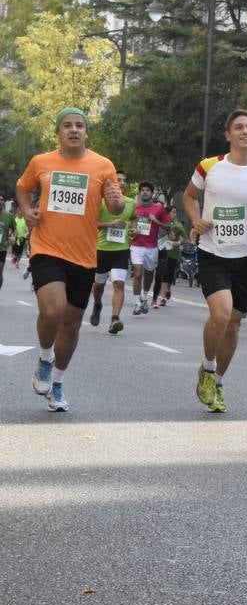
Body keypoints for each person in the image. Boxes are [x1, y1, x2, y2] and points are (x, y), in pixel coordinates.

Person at [14, 107, 125, 412]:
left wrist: (116, 201)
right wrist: (26, 209)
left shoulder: (103, 166)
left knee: (72, 324)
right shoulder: (42, 162)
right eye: (67, 125)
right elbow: (23, 187)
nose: (74, 130)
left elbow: (114, 206)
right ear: (58, 132)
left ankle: (58, 382)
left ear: (86, 132)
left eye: (79, 125)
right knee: (52, 310)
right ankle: (46, 357)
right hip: (47, 248)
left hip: (84, 256)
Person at [183, 109, 247, 413]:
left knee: (234, 325)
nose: (246, 131)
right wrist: (196, 219)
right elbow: (189, 196)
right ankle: (208, 365)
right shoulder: (209, 167)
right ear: (229, 135)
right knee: (222, 314)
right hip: (213, 253)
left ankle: (216, 381)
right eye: (239, 127)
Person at [90, 171, 134, 334]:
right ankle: (97, 304)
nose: (121, 183)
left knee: (118, 283)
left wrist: (134, 229)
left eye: (124, 180)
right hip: (102, 249)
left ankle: (115, 319)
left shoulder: (130, 203)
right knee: (99, 285)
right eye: (118, 180)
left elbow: (133, 218)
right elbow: (92, 223)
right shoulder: (100, 202)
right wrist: (111, 224)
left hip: (121, 250)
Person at [129, 181, 171, 315]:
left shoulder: (159, 208)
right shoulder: (134, 208)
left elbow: (168, 227)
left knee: (148, 275)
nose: (145, 192)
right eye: (142, 190)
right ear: (139, 193)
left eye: (147, 190)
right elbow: (130, 224)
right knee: (137, 273)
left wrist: (156, 221)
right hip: (136, 245)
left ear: (152, 193)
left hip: (152, 247)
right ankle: (136, 303)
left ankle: (144, 296)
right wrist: (132, 230)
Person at [153, 207, 187, 308]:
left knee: (170, 276)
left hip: (173, 253)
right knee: (163, 275)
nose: (174, 214)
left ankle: (167, 289)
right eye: (172, 212)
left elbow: (183, 237)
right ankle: (162, 297)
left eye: (175, 212)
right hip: (162, 253)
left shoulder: (178, 225)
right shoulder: (161, 224)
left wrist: (178, 242)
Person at [0, 193, 14, 289]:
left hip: (2, 248)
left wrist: (12, 237)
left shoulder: (8, 216)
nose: (0, 201)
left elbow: (14, 229)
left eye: (1, 199)